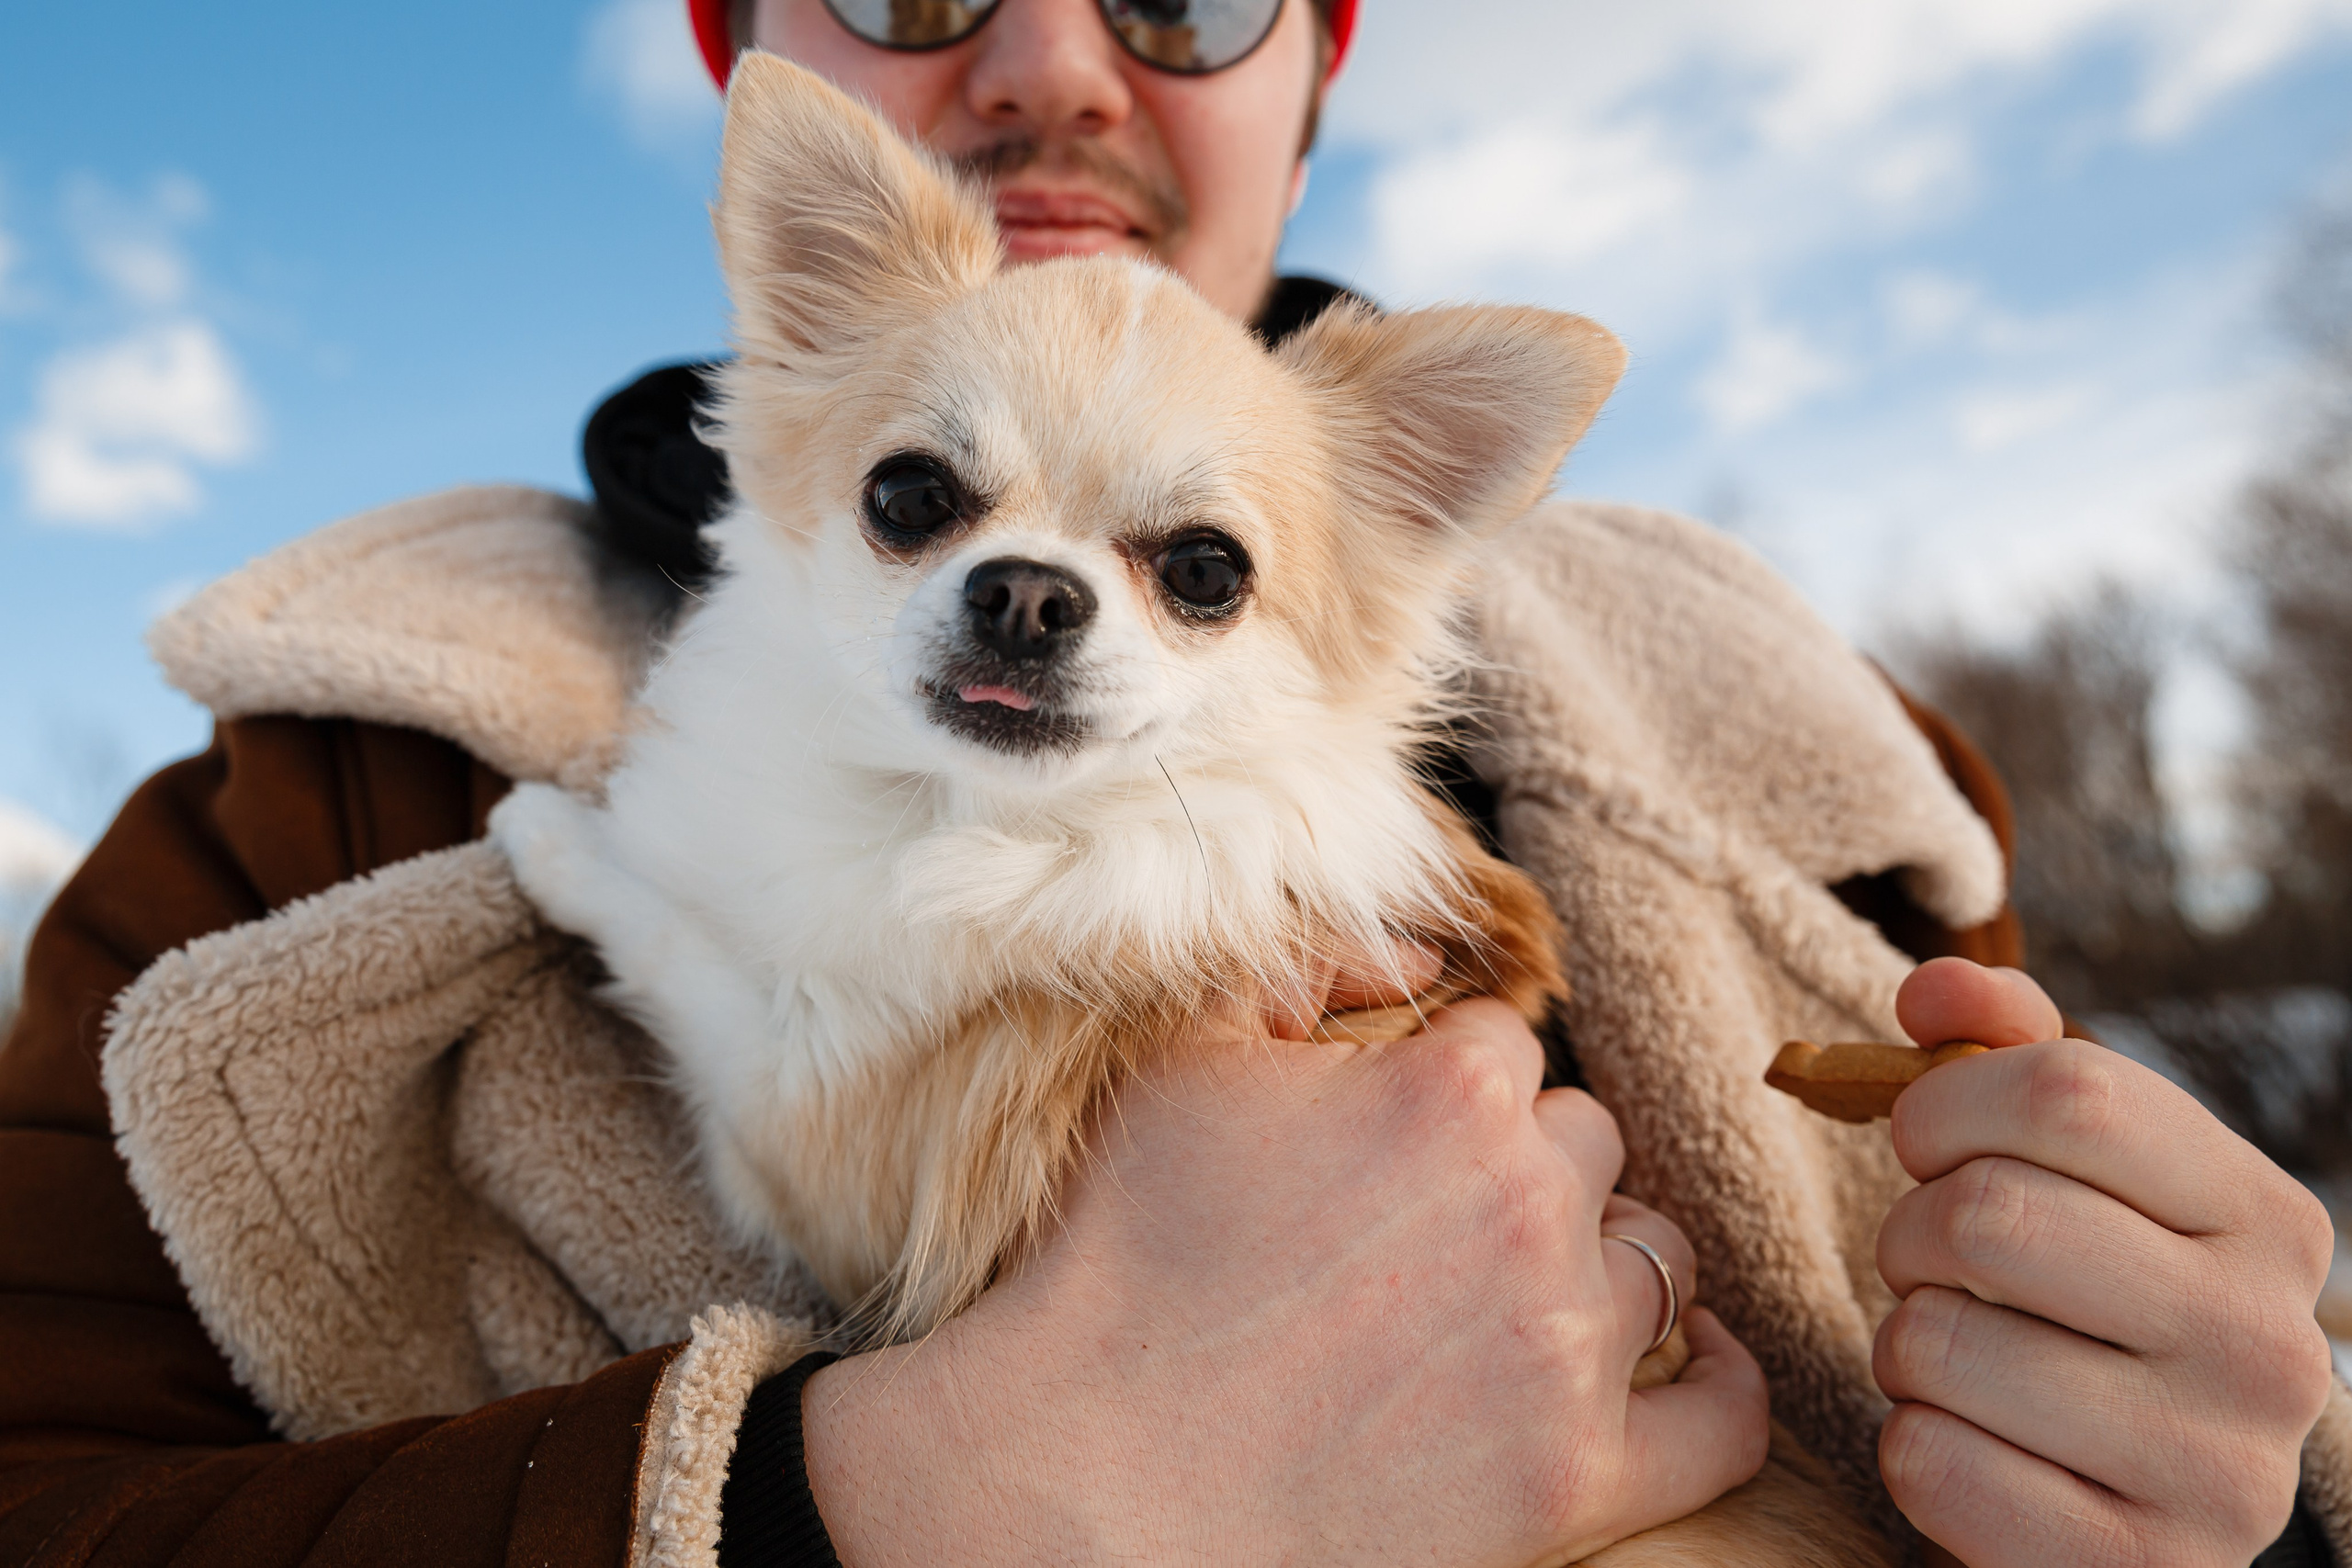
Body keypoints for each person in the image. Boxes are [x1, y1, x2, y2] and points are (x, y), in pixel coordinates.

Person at [0, 2, 2338, 1564]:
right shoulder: (288, 803)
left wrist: (2228, 1488)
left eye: (1190, 567)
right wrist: (897, 1502)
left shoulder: (1829, 752)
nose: (1047, 57)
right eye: (932, 502)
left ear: (1311, 68)